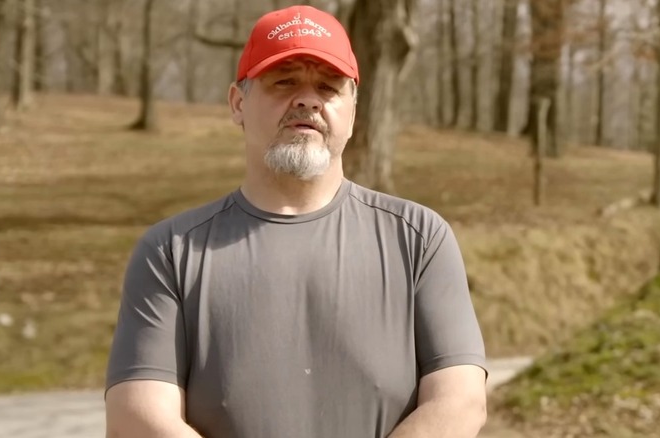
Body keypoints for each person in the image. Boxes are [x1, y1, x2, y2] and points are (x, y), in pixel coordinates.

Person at [104, 4, 487, 438]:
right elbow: (137, 417)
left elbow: (460, 402)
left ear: (353, 112)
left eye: (328, 86)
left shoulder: (419, 238)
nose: (307, 99)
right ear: (238, 103)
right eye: (283, 81)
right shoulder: (171, 251)